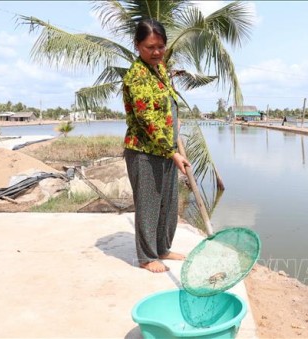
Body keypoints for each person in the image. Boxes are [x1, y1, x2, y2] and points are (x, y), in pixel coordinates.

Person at [123, 18, 191, 273]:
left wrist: (177, 121)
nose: (156, 52)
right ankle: (147, 256)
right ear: (137, 46)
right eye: (150, 47)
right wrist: (172, 152)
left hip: (167, 150)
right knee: (149, 206)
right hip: (145, 152)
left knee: (168, 204)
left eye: (160, 46)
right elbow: (147, 121)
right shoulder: (137, 76)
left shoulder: (160, 69)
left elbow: (168, 102)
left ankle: (162, 248)